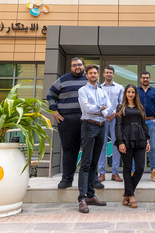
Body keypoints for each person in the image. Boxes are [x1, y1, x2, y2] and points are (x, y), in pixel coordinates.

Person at [77, 64, 113, 213]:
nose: (93, 75)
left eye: (95, 73)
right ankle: (82, 199)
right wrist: (101, 108)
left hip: (101, 127)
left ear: (98, 75)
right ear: (87, 75)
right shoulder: (82, 90)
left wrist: (100, 110)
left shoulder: (102, 91)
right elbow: (87, 108)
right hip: (88, 127)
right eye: (90, 73)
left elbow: (110, 108)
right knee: (85, 163)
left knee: (94, 163)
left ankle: (91, 195)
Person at [47, 57, 88, 190]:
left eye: (79, 65)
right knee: (69, 150)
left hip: (86, 120)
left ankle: (92, 179)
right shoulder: (63, 79)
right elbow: (50, 94)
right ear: (71, 67)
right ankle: (66, 179)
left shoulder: (90, 80)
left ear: (83, 66)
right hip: (66, 120)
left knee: (89, 151)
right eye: (74, 65)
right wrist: (53, 110)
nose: (77, 67)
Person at [115, 84, 150, 208]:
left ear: (136, 94)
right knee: (127, 168)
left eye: (133, 92)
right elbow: (118, 126)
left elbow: (144, 124)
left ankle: (127, 193)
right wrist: (120, 142)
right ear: (125, 93)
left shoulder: (140, 107)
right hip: (126, 139)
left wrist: (147, 140)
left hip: (140, 138)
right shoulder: (120, 107)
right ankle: (132, 196)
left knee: (140, 168)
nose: (131, 94)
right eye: (128, 92)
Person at [98, 66, 124, 182]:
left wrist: (113, 113)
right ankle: (101, 173)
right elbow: (97, 103)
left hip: (115, 120)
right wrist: (105, 114)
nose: (109, 74)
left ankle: (115, 173)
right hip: (102, 120)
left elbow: (122, 104)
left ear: (113, 74)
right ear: (103, 74)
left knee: (116, 146)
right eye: (107, 72)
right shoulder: (98, 87)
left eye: (111, 72)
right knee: (101, 146)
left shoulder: (119, 87)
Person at [137, 71, 155, 182]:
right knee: (136, 146)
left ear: (150, 79)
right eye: (143, 78)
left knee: (152, 147)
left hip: (151, 121)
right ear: (140, 79)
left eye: (147, 78)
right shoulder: (136, 91)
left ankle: (154, 171)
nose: (145, 79)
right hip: (138, 122)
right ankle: (134, 170)